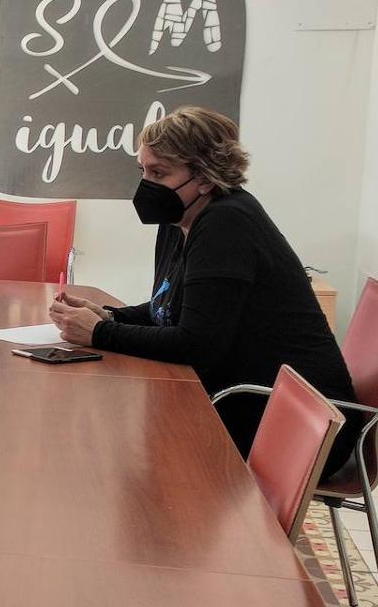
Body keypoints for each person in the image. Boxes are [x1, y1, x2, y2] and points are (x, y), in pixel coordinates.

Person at [49, 106, 359, 476]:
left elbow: (196, 344)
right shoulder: (178, 220)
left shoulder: (227, 223)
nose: (146, 183)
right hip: (246, 400)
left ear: (206, 177)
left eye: (159, 173)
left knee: (115, 451)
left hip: (296, 425)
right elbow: (172, 306)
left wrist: (99, 333)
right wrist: (110, 315)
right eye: (143, 170)